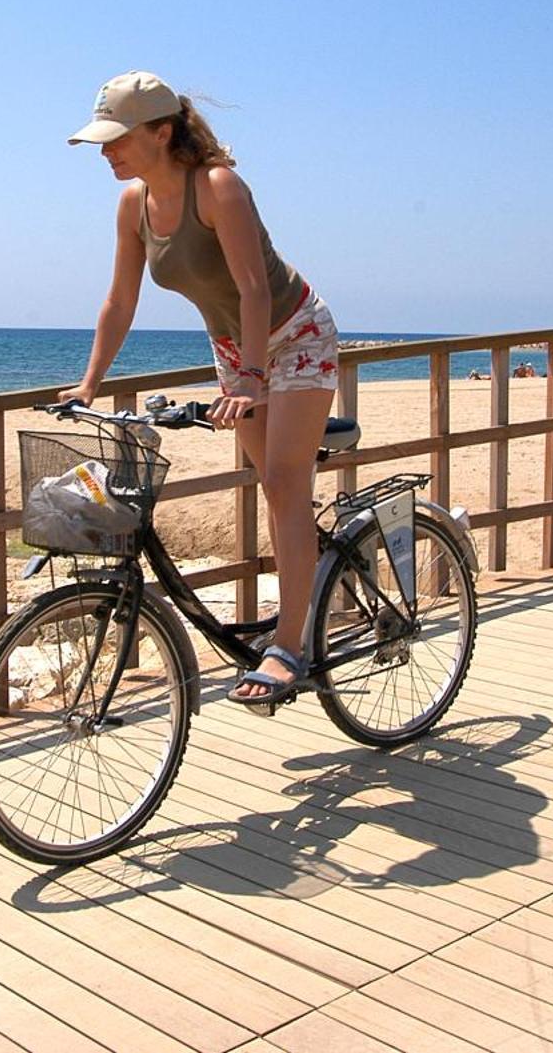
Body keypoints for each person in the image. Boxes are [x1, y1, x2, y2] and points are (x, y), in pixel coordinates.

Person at [62, 71, 339, 707]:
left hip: (293, 333)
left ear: (161, 132)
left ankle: (290, 648)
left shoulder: (218, 188)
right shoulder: (133, 204)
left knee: (285, 484)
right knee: (271, 484)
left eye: (118, 139)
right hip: (235, 347)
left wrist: (250, 380)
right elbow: (119, 300)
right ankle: (309, 590)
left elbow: (253, 288)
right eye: (101, 142)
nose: (107, 152)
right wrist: (88, 384)